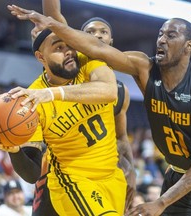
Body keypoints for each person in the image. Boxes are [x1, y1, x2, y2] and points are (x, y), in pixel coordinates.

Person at [7, 4, 191, 216]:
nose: (162, 40)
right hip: (177, 171)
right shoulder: (144, 68)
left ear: (189, 46)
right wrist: (53, 24)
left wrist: (162, 201)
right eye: (160, 34)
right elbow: (97, 48)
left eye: (171, 36)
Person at [0, 18, 127, 216]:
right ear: (41, 57)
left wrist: (53, 94)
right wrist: (14, 150)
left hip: (112, 177)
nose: (68, 51)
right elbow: (32, 173)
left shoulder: (88, 62)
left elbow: (110, 91)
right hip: (74, 182)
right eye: (58, 47)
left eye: (69, 45)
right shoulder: (31, 99)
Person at [42, 0, 136, 211]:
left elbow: (121, 137)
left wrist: (131, 172)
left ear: (111, 41)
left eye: (104, 32)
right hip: (64, 175)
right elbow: (53, 16)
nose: (98, 35)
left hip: (102, 178)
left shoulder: (120, 91)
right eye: (90, 31)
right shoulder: (72, 68)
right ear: (77, 39)